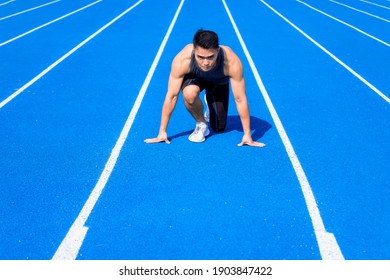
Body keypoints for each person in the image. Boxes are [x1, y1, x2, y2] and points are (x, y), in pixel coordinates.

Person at [144, 29, 265, 147]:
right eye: (200, 57)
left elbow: (240, 99)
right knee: (189, 94)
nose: (205, 63)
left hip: (219, 82)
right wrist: (162, 132)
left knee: (219, 128)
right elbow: (172, 96)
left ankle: (209, 101)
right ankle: (201, 122)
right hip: (196, 78)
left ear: (218, 50)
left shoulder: (232, 62)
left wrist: (247, 134)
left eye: (210, 57)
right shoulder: (182, 60)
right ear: (194, 50)